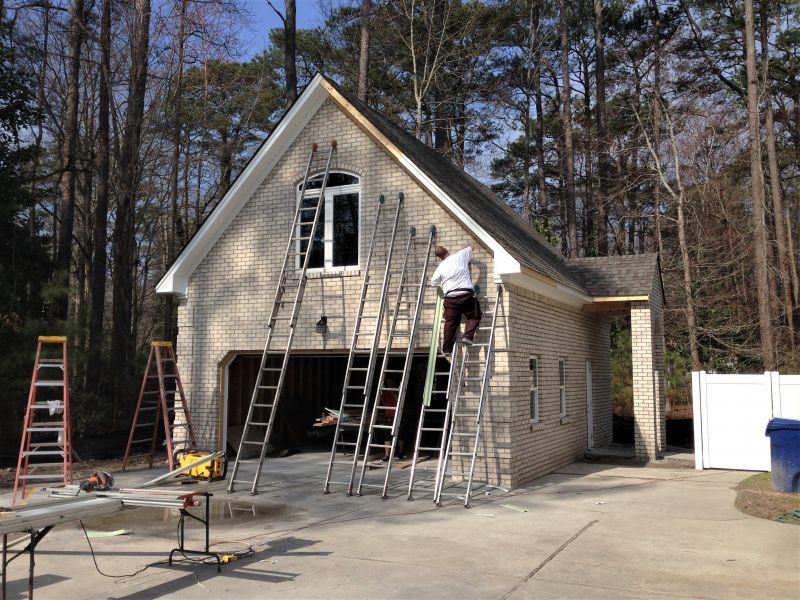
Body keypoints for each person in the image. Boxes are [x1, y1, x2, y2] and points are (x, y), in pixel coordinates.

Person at [430, 244, 482, 357]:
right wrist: (467, 246)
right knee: (475, 315)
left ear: (439, 257)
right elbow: (473, 246)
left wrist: (444, 283)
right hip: (465, 295)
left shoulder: (441, 267)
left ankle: (447, 349)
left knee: (450, 323)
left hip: (450, 299)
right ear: (447, 250)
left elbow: (433, 282)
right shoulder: (460, 255)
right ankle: (468, 337)